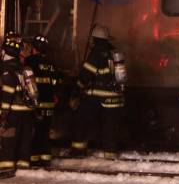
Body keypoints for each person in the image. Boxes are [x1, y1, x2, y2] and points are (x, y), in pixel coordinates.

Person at [70, 25, 127, 159]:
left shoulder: (96, 53)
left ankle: (78, 151)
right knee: (110, 127)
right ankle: (110, 154)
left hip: (98, 95)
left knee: (82, 119)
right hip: (116, 97)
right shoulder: (114, 53)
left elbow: (85, 75)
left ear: (95, 39)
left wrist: (76, 91)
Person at [0, 34, 37, 178]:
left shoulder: (6, 70)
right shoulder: (22, 68)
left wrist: (3, 115)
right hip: (27, 110)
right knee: (24, 138)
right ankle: (23, 166)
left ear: (5, 52)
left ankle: (6, 167)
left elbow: (8, 94)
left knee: (8, 139)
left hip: (13, 111)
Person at [25, 34, 61, 168]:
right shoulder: (51, 63)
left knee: (35, 131)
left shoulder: (29, 62)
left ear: (34, 48)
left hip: (35, 104)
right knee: (45, 131)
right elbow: (57, 82)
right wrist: (54, 94)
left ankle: (34, 159)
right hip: (49, 104)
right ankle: (46, 159)